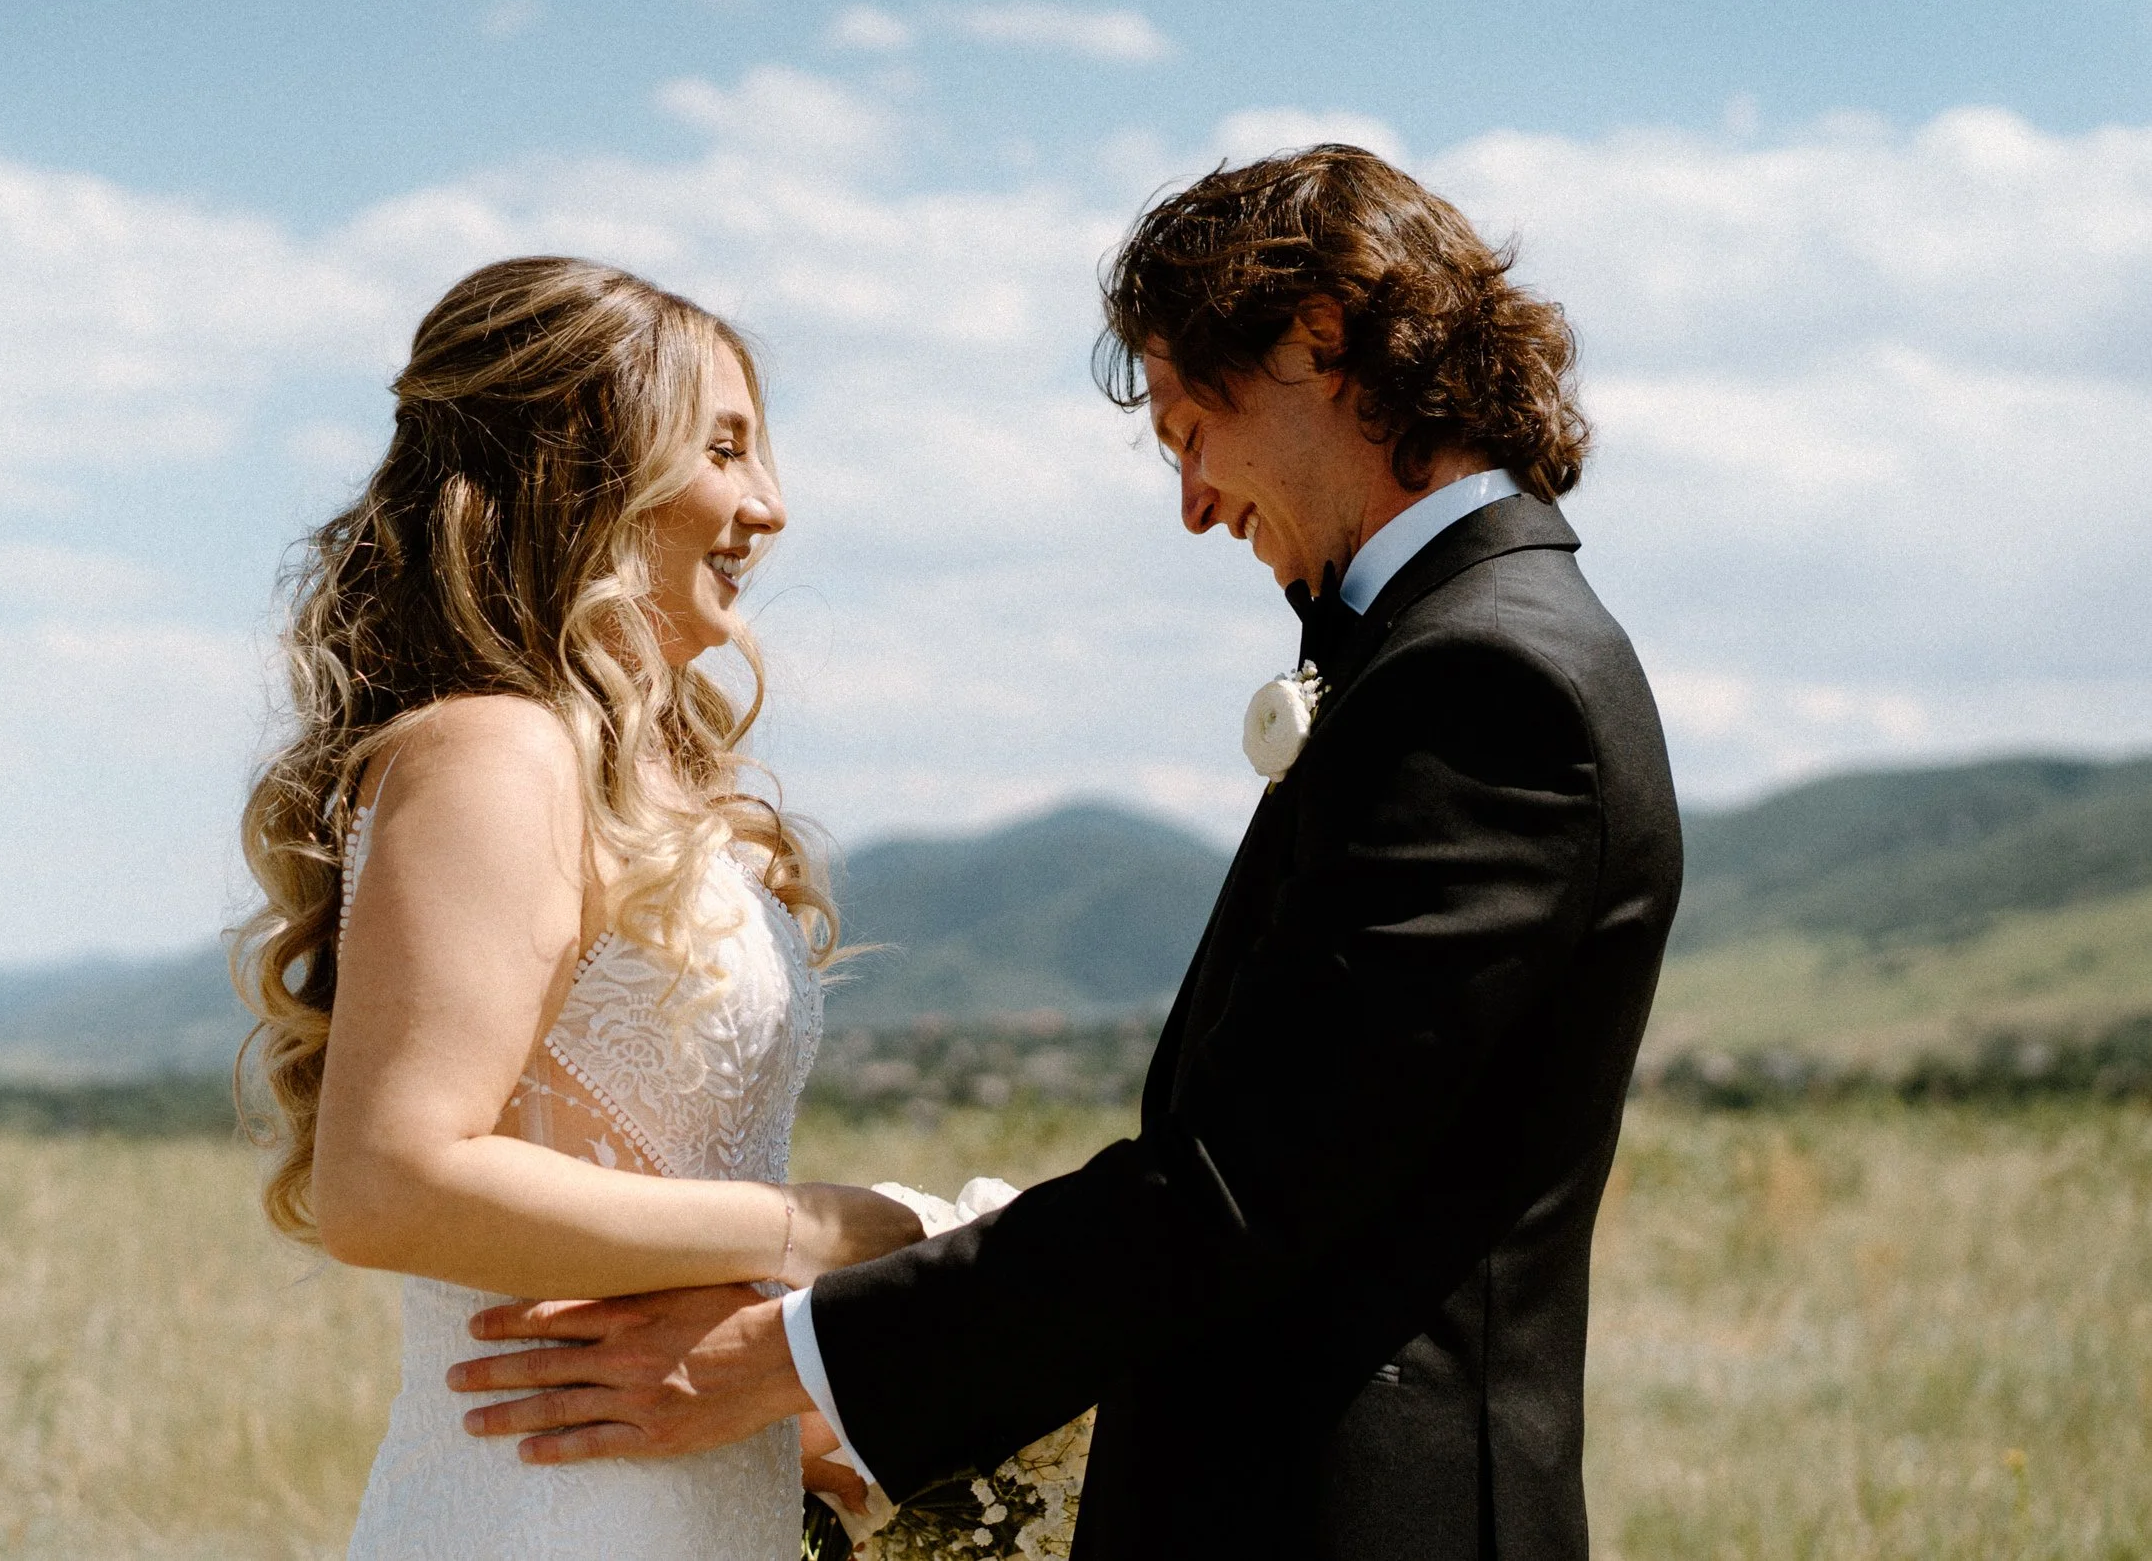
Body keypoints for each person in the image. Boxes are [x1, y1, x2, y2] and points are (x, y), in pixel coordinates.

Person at [446, 145, 1686, 1561]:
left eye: (1187, 427)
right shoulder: (1459, 652)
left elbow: (1236, 1187)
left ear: (1317, 339)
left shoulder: (1487, 682)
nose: (1194, 501)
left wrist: (792, 1355)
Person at [233, 256, 925, 1560]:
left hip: (682, 1482)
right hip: (546, 1509)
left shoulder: (616, 770)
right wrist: (811, 1232)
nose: (768, 506)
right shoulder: (494, 751)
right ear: (584, 468)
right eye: (724, 448)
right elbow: (387, 1182)